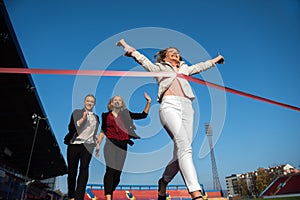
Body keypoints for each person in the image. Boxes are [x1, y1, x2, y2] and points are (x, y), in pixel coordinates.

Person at [117, 39, 224, 200]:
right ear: (165, 58)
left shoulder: (185, 68)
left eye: (178, 52)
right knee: (185, 148)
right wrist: (128, 48)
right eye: (172, 52)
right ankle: (196, 194)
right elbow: (143, 60)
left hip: (188, 107)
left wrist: (217, 59)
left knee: (181, 151)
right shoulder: (159, 68)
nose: (176, 54)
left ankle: (163, 182)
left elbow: (201, 66)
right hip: (169, 105)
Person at [96, 92, 151, 200]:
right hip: (110, 144)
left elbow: (142, 116)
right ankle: (108, 197)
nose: (117, 101)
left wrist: (149, 102)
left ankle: (110, 192)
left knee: (117, 175)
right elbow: (103, 130)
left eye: (119, 100)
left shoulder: (126, 114)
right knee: (110, 169)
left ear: (122, 104)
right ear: (111, 103)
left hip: (122, 145)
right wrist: (98, 143)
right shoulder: (105, 115)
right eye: (115, 100)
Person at [64, 94, 100, 200]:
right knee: (72, 171)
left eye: (92, 101)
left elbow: (92, 131)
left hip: (88, 145)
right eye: (88, 101)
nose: (89, 103)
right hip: (75, 144)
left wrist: (95, 138)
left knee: (84, 168)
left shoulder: (96, 118)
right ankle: (71, 195)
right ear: (84, 102)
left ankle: (79, 197)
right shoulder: (77, 112)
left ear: (94, 104)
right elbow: (71, 128)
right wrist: (83, 118)